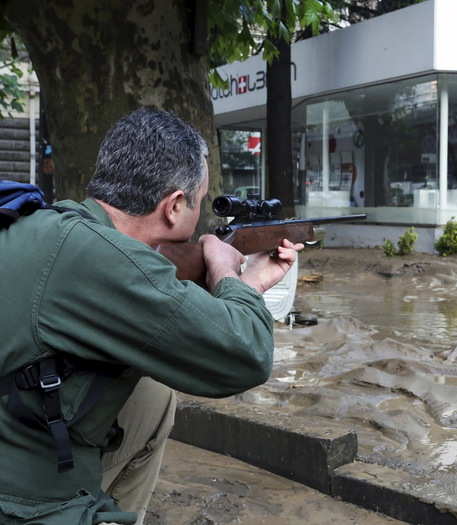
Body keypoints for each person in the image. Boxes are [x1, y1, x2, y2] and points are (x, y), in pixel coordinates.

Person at [0, 107, 302, 524]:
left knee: (151, 399)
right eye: (200, 200)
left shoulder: (58, 226)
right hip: (18, 489)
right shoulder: (101, 261)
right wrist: (234, 278)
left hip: (18, 426)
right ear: (175, 206)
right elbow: (245, 355)